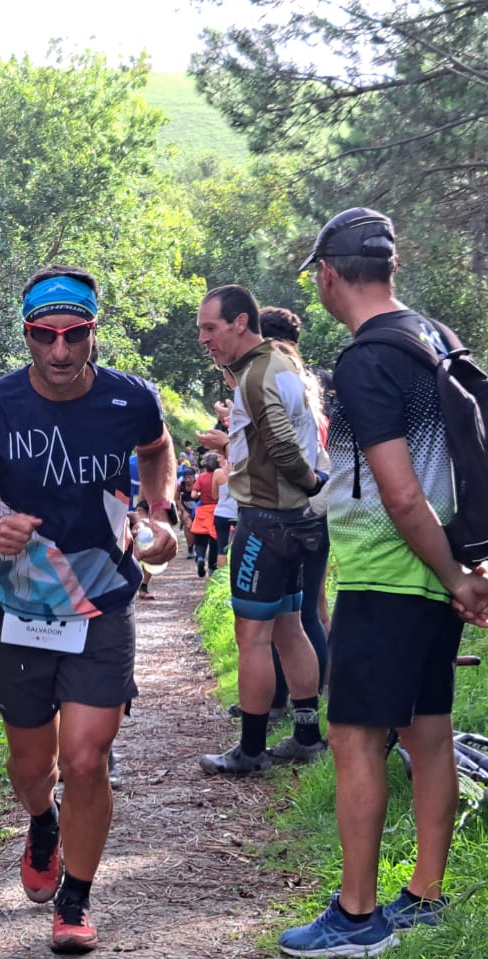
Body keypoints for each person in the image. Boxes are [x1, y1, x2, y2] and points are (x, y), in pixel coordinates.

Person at [279, 208, 488, 957]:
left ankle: (357, 917)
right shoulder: (431, 337)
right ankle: (425, 894)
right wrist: (461, 570)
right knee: (427, 732)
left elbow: (401, 492)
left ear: (325, 275)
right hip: (431, 570)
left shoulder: (364, 361)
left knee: (355, 738)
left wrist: (454, 577)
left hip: (388, 575)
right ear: (389, 266)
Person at [0, 265, 177, 953]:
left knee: (87, 758)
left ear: (95, 332)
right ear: (28, 335)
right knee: (30, 764)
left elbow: (157, 451)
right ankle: (43, 822)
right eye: (46, 337)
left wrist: (159, 514)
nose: (61, 352)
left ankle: (76, 898)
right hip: (23, 599)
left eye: (76, 336)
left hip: (103, 594)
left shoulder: (132, 400)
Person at [194, 284, 329, 776]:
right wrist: (313, 490)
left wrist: (312, 480)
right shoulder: (285, 362)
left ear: (240, 324)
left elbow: (280, 444)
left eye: (210, 329)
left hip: (265, 522)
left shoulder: (253, 376)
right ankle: (308, 734)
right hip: (299, 521)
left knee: (252, 637)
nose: (205, 340)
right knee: (291, 628)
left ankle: (250, 750)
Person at [259, 305, 332, 715]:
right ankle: (298, 700)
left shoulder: (277, 375)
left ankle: (295, 703)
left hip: (296, 508)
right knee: (307, 608)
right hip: (314, 509)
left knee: (294, 613)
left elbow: (287, 449)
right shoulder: (304, 379)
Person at [188, 453, 220, 575]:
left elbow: (193, 495)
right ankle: (212, 569)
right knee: (214, 542)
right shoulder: (222, 476)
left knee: (200, 540)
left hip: (203, 511)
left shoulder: (201, 477)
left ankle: (200, 557)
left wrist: (201, 495)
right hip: (217, 511)